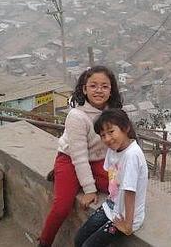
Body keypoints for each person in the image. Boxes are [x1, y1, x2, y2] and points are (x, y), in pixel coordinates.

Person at [39, 66, 123, 247]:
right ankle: (44, 242)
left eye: (104, 86)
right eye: (93, 86)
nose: (99, 90)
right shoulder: (77, 116)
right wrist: (89, 189)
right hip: (71, 158)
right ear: (84, 89)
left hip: (99, 159)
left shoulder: (113, 113)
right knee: (62, 206)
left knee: (118, 188)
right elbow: (79, 156)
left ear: (111, 90)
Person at [74, 108, 148, 247]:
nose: (107, 139)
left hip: (124, 217)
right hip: (111, 207)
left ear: (125, 128)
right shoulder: (113, 149)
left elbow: (129, 192)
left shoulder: (131, 155)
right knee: (79, 239)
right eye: (102, 135)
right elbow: (112, 179)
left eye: (111, 132)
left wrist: (128, 225)